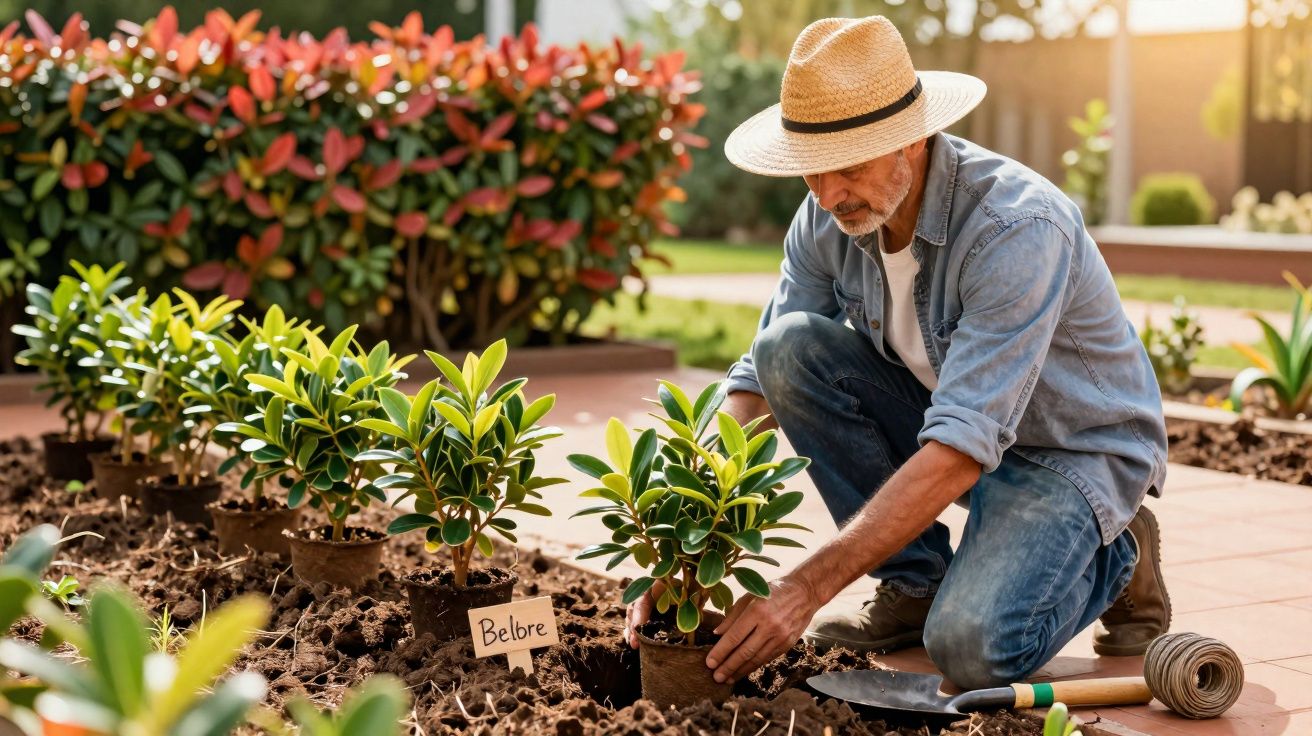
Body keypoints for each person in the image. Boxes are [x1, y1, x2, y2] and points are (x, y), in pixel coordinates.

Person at [623, 15, 1171, 691]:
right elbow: (761, 380)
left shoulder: (1015, 228)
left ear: (909, 140)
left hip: (1068, 451)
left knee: (971, 652)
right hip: (959, 425)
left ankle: (1120, 545)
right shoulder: (831, 211)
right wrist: (681, 544)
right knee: (786, 350)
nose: (826, 197)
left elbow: (961, 449)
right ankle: (913, 584)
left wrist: (802, 589)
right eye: (809, 176)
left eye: (846, 168)